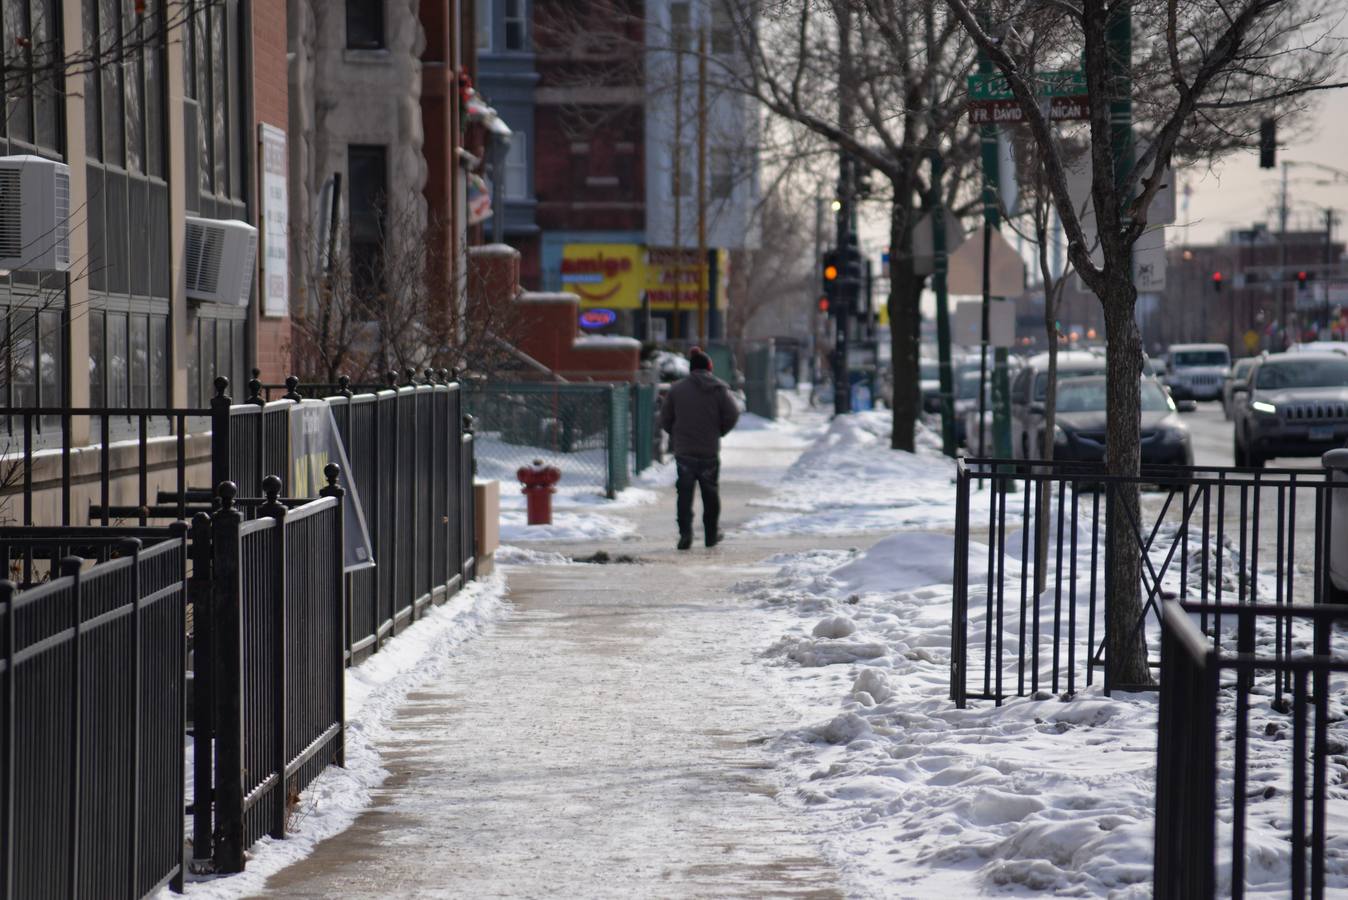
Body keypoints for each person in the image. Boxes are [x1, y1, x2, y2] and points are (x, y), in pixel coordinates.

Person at [659, 347, 740, 549]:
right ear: (709, 368)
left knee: (684, 494)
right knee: (710, 493)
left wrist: (676, 434)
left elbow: (665, 418)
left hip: (684, 451)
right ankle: (711, 534)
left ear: (691, 368)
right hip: (709, 451)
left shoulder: (676, 389)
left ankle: (685, 533)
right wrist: (719, 430)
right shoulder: (719, 389)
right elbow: (733, 413)